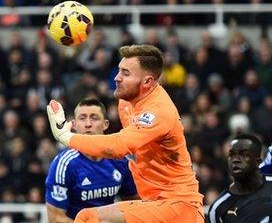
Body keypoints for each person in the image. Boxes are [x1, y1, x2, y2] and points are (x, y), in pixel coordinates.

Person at [47, 45, 204, 222]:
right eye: (119, 70)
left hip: (177, 207)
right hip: (153, 202)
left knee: (87, 216)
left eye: (126, 73)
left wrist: (67, 137)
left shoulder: (158, 112)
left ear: (147, 82)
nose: (117, 77)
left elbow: (119, 146)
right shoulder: (126, 101)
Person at [45, 98, 138, 222]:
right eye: (82, 118)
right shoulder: (64, 164)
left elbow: (134, 203)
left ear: (105, 124)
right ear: (74, 125)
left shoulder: (120, 160)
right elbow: (55, 219)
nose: (88, 124)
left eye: (94, 118)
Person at [207, 134, 272, 222]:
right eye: (231, 155)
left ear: (258, 161)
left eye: (244, 154)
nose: (235, 160)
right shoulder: (219, 208)